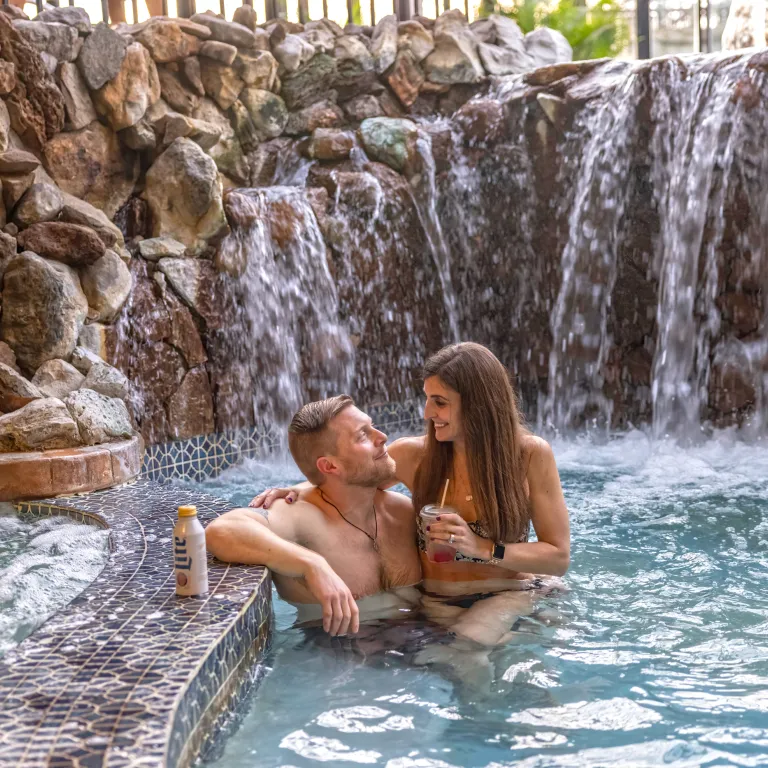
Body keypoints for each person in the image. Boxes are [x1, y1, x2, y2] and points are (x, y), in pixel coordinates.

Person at [251, 342, 570, 646]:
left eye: (440, 402)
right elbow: (352, 475)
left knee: (467, 648)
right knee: (437, 657)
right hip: (438, 601)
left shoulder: (529, 455)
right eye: (428, 398)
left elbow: (558, 557)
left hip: (509, 590)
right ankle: (511, 642)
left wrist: (484, 548)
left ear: (479, 405)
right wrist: (300, 488)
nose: (427, 412)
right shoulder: (414, 456)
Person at [205, 395, 422, 638]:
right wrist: (311, 564)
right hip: (337, 657)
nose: (382, 437)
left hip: (423, 642)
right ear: (329, 467)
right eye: (363, 435)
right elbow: (222, 530)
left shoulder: (403, 513)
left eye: (372, 426)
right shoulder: (303, 518)